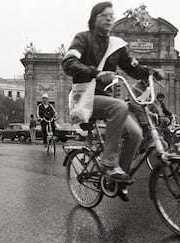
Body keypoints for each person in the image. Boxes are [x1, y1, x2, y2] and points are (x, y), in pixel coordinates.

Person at [62, 1, 164, 201]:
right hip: (83, 98)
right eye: (104, 15)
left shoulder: (117, 46)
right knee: (119, 105)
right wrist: (96, 73)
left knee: (135, 134)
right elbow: (68, 63)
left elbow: (132, 67)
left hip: (105, 100)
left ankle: (117, 180)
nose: (110, 18)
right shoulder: (83, 38)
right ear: (94, 19)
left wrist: (151, 72)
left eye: (112, 15)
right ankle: (109, 164)